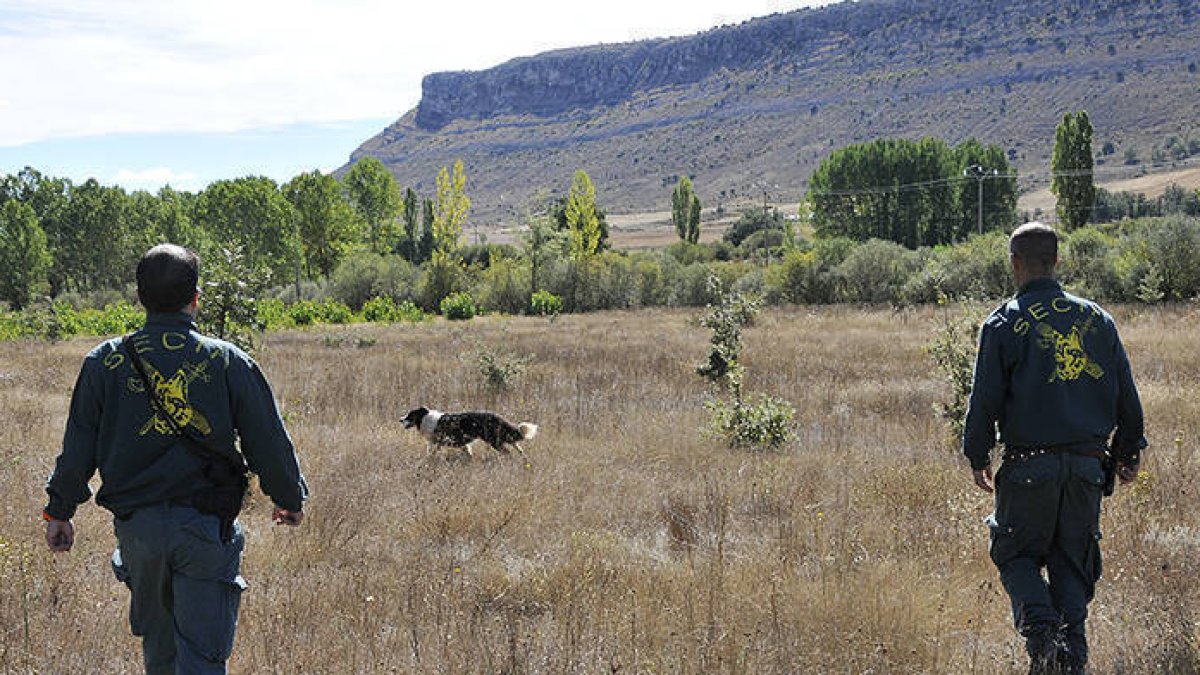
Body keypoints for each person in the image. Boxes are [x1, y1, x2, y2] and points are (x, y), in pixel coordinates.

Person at [43, 243, 309, 675]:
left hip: (139, 534)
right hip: (206, 530)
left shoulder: (104, 361)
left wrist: (59, 511)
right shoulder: (228, 361)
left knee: (161, 655)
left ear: (139, 297)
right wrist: (289, 498)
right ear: (196, 298)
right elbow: (268, 442)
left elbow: (78, 446)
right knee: (202, 659)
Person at [962, 222, 1145, 674]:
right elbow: (1126, 394)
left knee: (1014, 554)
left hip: (1028, 470)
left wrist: (977, 455)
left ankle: (1041, 631)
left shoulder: (1003, 322)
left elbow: (984, 398)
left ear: (1015, 264)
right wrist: (1128, 452)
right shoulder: (1097, 320)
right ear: (1058, 261)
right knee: (1072, 574)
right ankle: (1068, 665)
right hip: (1086, 471)